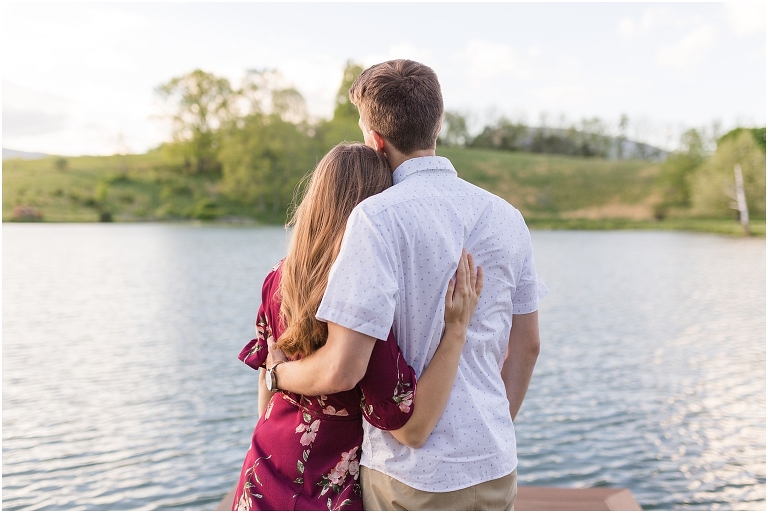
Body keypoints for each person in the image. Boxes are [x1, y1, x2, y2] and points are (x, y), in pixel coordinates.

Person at [268, 59, 547, 510]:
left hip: (410, 475)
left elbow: (343, 368)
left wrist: (277, 373)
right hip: (495, 465)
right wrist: (492, 427)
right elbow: (528, 346)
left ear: (375, 139)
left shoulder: (376, 219)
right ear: (438, 122)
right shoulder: (507, 218)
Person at [231, 143, 484, 510]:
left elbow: (266, 385)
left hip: (263, 469)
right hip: (324, 488)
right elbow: (409, 425)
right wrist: (457, 329)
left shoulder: (277, 278)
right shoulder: (359, 300)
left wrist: (280, 376)